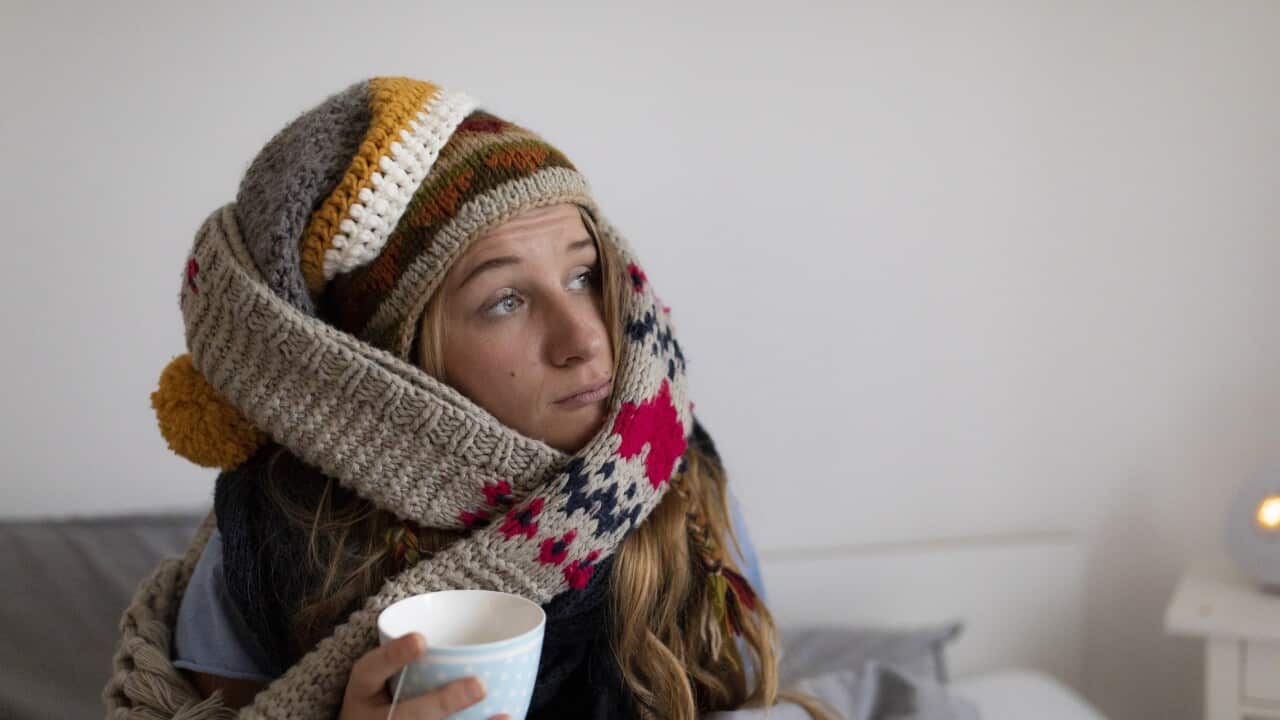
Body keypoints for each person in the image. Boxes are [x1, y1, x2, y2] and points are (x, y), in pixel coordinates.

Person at [105, 76, 834, 720]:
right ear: (387, 362)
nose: (585, 339)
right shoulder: (275, 535)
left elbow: (743, 694)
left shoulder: (675, 471)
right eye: (505, 300)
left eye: (584, 276)